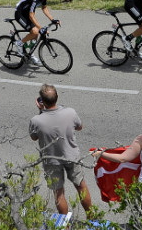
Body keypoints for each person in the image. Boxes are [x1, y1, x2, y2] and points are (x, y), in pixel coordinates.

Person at [30, 84, 92, 216]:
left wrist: (41, 111)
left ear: (42, 101)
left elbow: (34, 137)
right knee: (81, 186)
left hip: (51, 160)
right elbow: (79, 127)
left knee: (59, 193)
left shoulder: (36, 120)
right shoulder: (70, 112)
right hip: (71, 156)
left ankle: (65, 224)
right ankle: (92, 218)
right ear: (57, 97)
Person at [12, 0, 58, 67]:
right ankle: (19, 43)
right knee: (35, 31)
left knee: (35, 35)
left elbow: (44, 8)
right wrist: (40, 28)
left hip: (28, 14)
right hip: (20, 14)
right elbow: (31, 16)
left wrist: (52, 19)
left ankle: (30, 54)